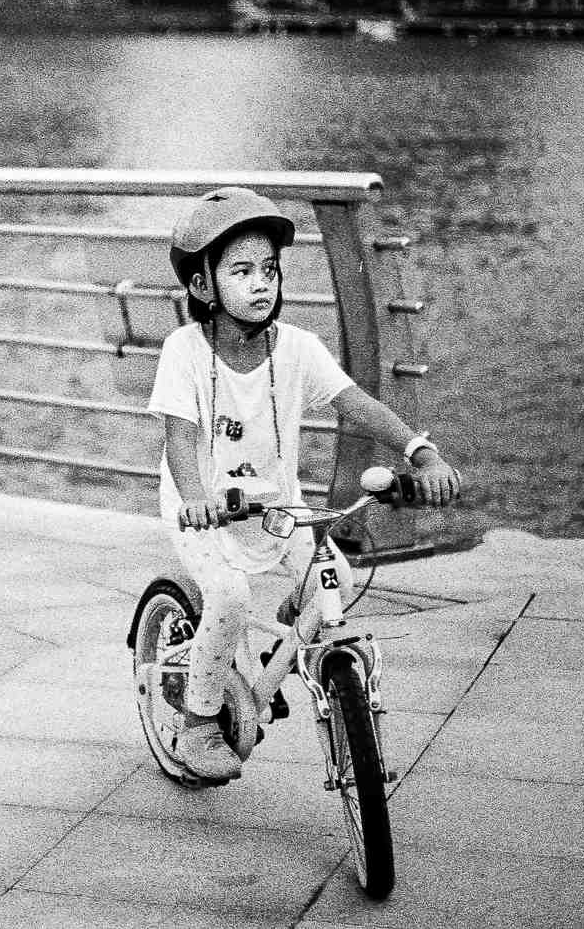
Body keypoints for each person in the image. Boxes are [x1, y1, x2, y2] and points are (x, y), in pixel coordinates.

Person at [147, 187, 461, 783]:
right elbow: (180, 438)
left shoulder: (297, 348)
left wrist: (420, 452)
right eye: (241, 271)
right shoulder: (183, 351)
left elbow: (358, 405)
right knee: (231, 594)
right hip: (204, 511)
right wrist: (195, 501)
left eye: (269, 269)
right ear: (202, 287)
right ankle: (198, 723)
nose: (261, 283)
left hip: (276, 509)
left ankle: (274, 662)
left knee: (334, 582)